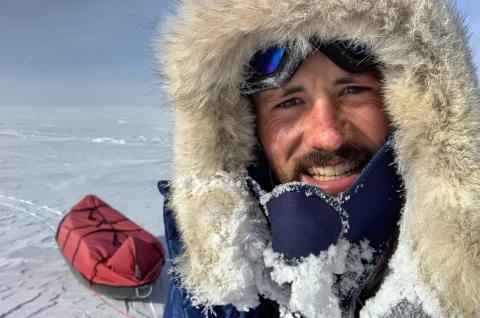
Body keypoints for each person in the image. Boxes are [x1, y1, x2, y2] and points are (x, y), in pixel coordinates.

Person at [157, 0, 480, 317]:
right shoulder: (216, 296)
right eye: (289, 102)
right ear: (249, 134)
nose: (328, 136)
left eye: (353, 91)